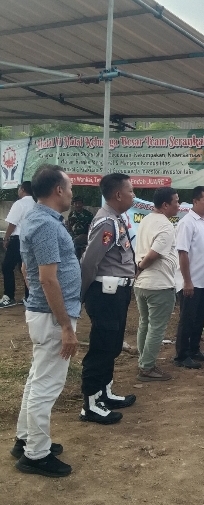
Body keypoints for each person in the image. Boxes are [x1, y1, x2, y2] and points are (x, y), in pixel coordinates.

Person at [12, 165, 79, 478]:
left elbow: (28, 269)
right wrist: (65, 326)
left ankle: (25, 439)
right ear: (58, 190)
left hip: (46, 312)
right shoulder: (46, 224)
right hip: (52, 317)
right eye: (70, 187)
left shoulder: (38, 219)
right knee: (46, 385)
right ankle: (36, 454)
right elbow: (47, 278)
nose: (72, 193)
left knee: (38, 379)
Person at [79, 173, 137, 425]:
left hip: (117, 293)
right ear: (118, 195)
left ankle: (105, 393)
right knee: (101, 347)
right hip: (105, 294)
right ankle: (91, 404)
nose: (133, 195)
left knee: (112, 346)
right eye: (131, 191)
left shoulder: (116, 219)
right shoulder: (106, 222)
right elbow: (89, 262)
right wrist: (80, 295)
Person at [134, 187, 180, 381]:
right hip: (159, 284)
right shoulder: (165, 226)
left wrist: (139, 269)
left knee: (145, 323)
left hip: (142, 284)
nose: (179, 205)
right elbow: (154, 254)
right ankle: (147, 367)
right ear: (165, 205)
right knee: (156, 327)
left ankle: (143, 360)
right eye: (176, 201)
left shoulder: (146, 220)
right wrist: (141, 267)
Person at [173, 186, 204, 370]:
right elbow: (182, 253)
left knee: (201, 317)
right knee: (188, 318)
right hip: (192, 281)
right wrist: (187, 281)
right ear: (195, 201)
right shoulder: (187, 223)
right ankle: (182, 355)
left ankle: (194, 349)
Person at [1, 181, 34, 308]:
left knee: (7, 267)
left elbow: (12, 223)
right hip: (30, 240)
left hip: (18, 240)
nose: (18, 191)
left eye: (19, 188)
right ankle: (28, 297)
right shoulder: (36, 204)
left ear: (23, 189)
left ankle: (9, 296)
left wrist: (6, 238)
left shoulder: (19, 204)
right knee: (25, 268)